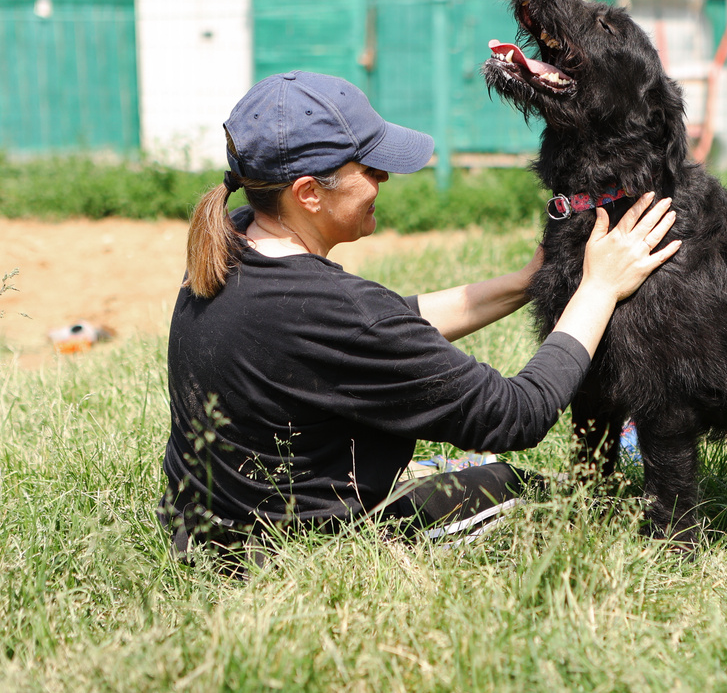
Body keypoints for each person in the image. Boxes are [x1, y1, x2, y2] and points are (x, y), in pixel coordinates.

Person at [158, 71, 680, 561]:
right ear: (308, 194)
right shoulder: (338, 312)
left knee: (465, 469)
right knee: (553, 497)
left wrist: (524, 283)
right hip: (298, 552)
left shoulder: (231, 243)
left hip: (211, 533)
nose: (384, 176)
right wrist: (599, 287)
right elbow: (517, 414)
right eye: (369, 167)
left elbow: (385, 328)